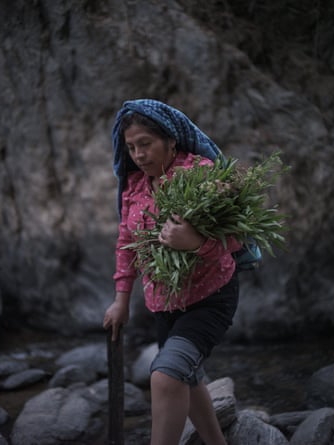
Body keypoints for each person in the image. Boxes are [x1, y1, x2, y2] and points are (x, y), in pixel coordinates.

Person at [103, 99, 241, 445]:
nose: (138, 154)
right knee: (188, 378)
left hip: (210, 297)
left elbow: (237, 238)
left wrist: (194, 243)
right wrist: (122, 300)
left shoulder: (202, 175)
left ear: (171, 141)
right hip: (164, 303)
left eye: (146, 144)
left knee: (166, 377)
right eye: (131, 147)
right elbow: (126, 242)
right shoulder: (135, 188)